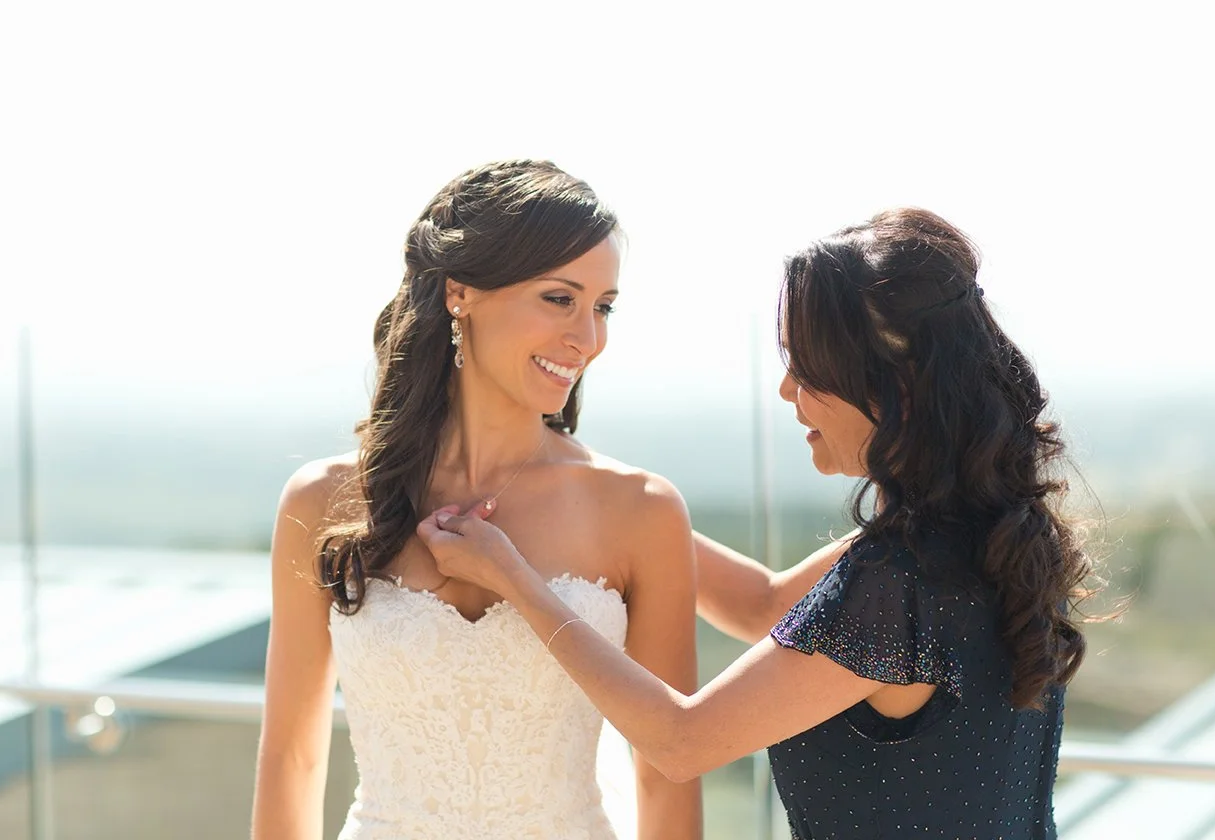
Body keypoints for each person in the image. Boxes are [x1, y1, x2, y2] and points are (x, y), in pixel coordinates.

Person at [420, 208, 1095, 839]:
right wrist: (608, 510)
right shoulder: (986, 534)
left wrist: (516, 579)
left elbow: (681, 742)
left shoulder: (899, 582)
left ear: (896, 387)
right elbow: (765, 604)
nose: (786, 391)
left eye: (808, 369)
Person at [252, 160, 703, 840]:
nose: (588, 338)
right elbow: (292, 758)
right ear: (460, 293)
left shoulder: (641, 510)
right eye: (560, 298)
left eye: (602, 307)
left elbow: (666, 777)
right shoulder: (324, 501)